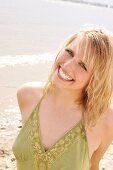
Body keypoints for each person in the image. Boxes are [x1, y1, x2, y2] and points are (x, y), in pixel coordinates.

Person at [12, 26, 113, 170]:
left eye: (83, 66)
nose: (67, 65)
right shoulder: (27, 94)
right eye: (69, 52)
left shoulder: (105, 120)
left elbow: (93, 165)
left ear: (97, 79)